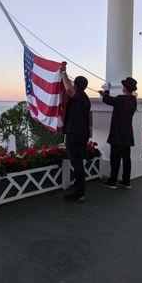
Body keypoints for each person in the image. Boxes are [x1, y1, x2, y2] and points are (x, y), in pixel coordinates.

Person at [99, 77, 138, 189]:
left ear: (125, 88)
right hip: (127, 134)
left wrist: (106, 91)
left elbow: (107, 100)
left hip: (117, 134)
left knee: (115, 159)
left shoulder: (121, 99)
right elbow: (112, 101)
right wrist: (105, 94)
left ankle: (112, 181)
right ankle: (126, 181)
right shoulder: (133, 100)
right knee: (126, 159)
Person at [61, 63, 90, 202]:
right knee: (79, 163)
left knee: (77, 164)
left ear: (76, 85)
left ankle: (79, 193)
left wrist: (63, 73)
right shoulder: (86, 98)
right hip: (83, 134)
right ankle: (79, 190)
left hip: (75, 135)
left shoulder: (77, 95)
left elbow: (68, 89)